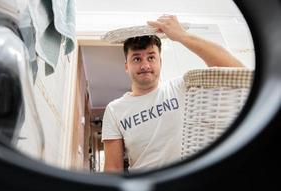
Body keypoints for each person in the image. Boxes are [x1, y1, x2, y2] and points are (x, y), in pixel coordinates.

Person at [101, 15, 244, 173]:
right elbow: (113, 170)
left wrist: (182, 36)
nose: (145, 65)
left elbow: (237, 70)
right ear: (126, 66)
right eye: (136, 59)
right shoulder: (114, 110)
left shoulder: (184, 86)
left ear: (160, 61)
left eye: (151, 57)